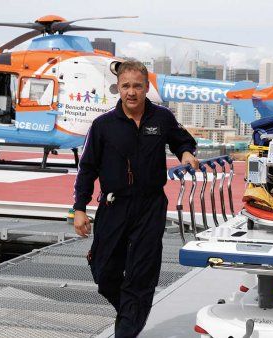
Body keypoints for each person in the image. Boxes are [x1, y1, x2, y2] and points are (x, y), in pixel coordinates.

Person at [72, 60, 198, 337]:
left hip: (150, 205)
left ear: (146, 87)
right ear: (118, 87)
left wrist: (186, 152)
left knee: (142, 273)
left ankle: (126, 329)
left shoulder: (162, 117)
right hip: (114, 205)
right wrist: (79, 208)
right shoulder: (103, 125)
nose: (131, 92)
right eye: (126, 86)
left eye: (137, 86)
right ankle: (131, 310)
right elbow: (87, 168)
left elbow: (181, 139)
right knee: (104, 274)